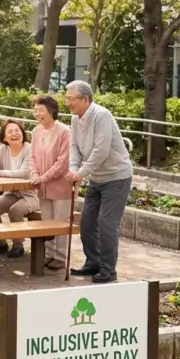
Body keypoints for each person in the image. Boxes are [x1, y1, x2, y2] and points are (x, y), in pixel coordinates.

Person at [65, 80, 133, 284]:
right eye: (66, 98)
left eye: (71, 98)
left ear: (85, 99)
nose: (68, 102)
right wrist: (73, 169)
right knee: (87, 222)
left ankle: (108, 269)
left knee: (106, 224)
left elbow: (101, 151)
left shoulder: (102, 115)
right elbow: (75, 147)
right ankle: (93, 262)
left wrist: (81, 173)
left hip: (116, 177)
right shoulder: (75, 119)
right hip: (96, 177)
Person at [0, 119, 39, 257]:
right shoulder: (3, 149)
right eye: (10, 132)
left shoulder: (29, 149)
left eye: (17, 130)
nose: (14, 134)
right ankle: (1, 243)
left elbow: (25, 173)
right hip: (12, 193)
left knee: (15, 211)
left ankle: (18, 245)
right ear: (4, 138)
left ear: (23, 133)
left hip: (31, 195)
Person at [29, 95, 72, 270]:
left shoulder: (64, 131)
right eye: (35, 110)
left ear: (52, 111)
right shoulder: (36, 131)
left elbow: (63, 162)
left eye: (41, 110)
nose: (37, 113)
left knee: (60, 221)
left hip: (60, 185)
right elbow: (31, 156)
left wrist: (43, 177)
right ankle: (49, 253)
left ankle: (60, 257)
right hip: (42, 185)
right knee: (46, 221)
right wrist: (34, 174)